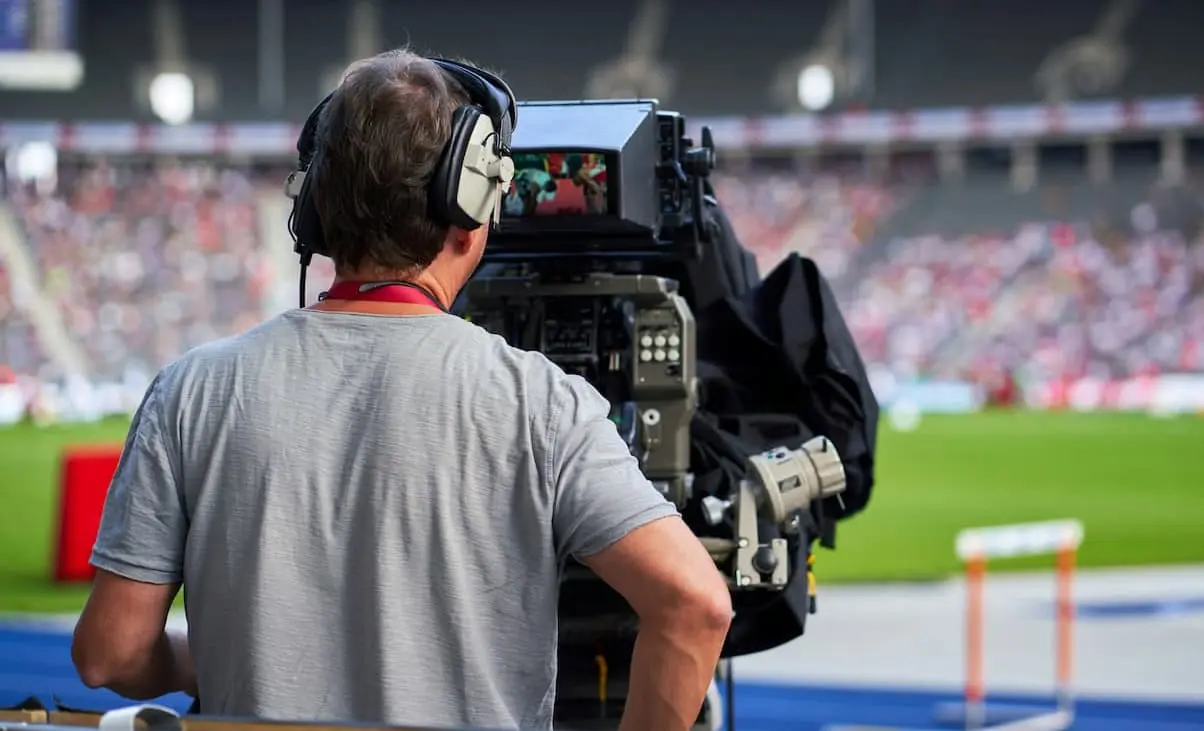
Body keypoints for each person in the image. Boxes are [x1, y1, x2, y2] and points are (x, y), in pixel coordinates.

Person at [71, 50, 732, 731]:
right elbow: (694, 604)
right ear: (471, 202)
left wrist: (209, 660)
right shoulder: (541, 401)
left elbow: (110, 653)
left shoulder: (191, 389)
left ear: (316, 207)